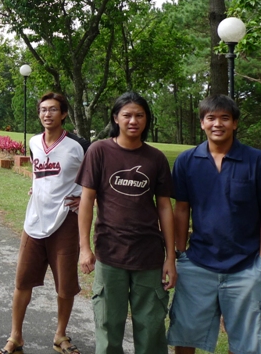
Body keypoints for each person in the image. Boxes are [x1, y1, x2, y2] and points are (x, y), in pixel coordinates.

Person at [166, 95, 261, 354]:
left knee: (247, 342)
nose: (217, 124)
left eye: (225, 118)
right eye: (210, 118)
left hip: (245, 266)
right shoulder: (187, 161)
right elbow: (181, 208)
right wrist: (180, 253)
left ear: (235, 123)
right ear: (202, 123)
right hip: (198, 263)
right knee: (186, 333)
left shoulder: (257, 161)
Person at [77, 91, 176, 354]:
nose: (133, 121)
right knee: (108, 328)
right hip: (110, 253)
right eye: (127, 115)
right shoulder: (99, 151)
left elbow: (164, 207)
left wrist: (170, 257)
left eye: (140, 115)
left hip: (149, 256)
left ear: (147, 119)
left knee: (151, 329)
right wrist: (84, 248)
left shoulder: (156, 158)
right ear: (116, 118)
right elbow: (86, 201)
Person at [0, 92, 89, 354]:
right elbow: (40, 173)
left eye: (53, 109)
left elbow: (94, 178)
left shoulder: (79, 146)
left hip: (65, 221)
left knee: (65, 286)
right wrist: (36, 188)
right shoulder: (34, 142)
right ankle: (15, 337)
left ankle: (60, 335)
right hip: (34, 221)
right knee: (22, 282)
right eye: (43, 110)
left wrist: (84, 197)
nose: (47, 114)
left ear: (64, 114)